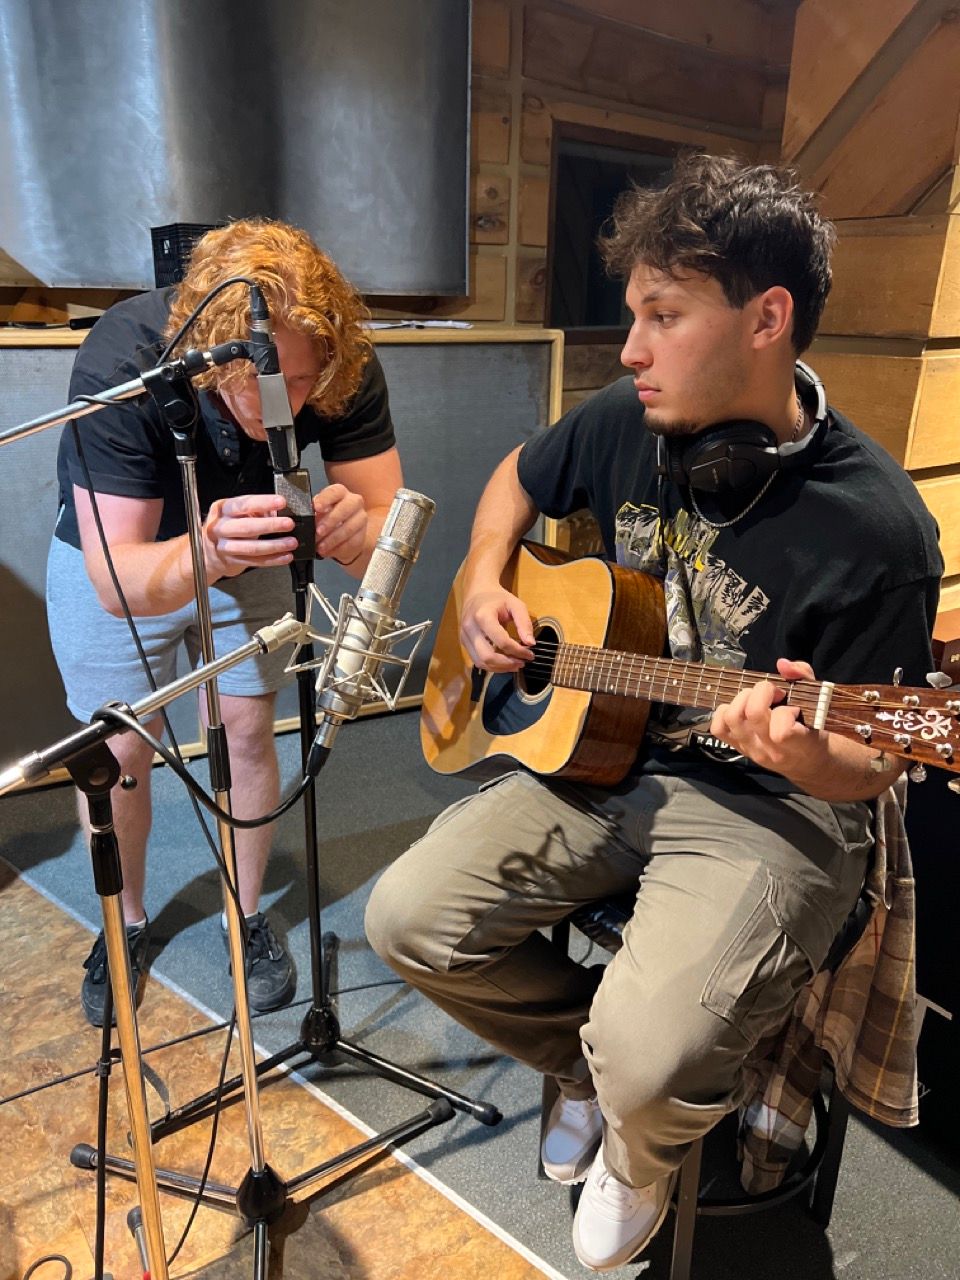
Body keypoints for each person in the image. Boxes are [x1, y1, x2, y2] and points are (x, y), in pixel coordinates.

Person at [364, 153, 942, 1271]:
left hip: (775, 805)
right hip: (606, 759)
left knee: (654, 1048)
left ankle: (638, 1138)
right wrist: (486, 577)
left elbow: (876, 762)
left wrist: (808, 752)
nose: (629, 350)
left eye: (662, 315)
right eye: (632, 314)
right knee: (405, 918)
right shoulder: (624, 419)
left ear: (768, 317)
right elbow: (515, 481)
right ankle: (592, 1073)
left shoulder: (880, 528)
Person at [47, 218, 403, 1027]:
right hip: (122, 546)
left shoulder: (340, 358)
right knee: (120, 745)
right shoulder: (126, 355)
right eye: (262, 384)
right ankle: (125, 922)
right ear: (210, 352)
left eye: (307, 382)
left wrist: (360, 530)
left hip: (249, 532)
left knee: (245, 727)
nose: (290, 405)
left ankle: (246, 914)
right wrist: (204, 554)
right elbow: (119, 579)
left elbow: (388, 514)